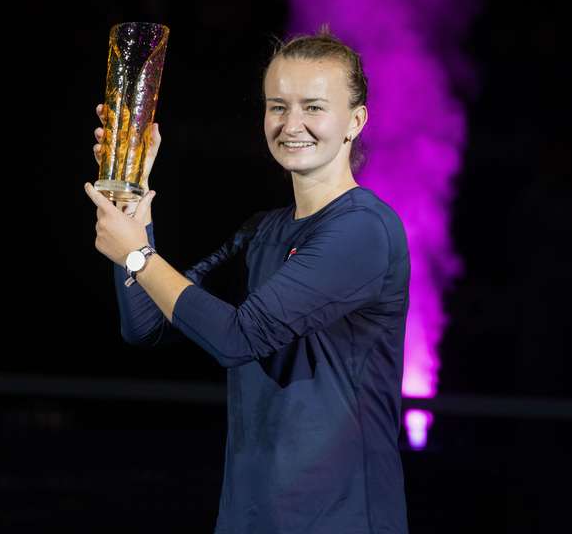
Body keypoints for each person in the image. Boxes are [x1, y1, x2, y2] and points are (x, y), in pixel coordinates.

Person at [84, 27, 411, 534]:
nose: (291, 123)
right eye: (277, 106)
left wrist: (138, 256)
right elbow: (146, 324)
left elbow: (239, 338)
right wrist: (131, 197)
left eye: (313, 107)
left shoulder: (363, 229)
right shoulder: (262, 231)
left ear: (356, 121)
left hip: (338, 521)